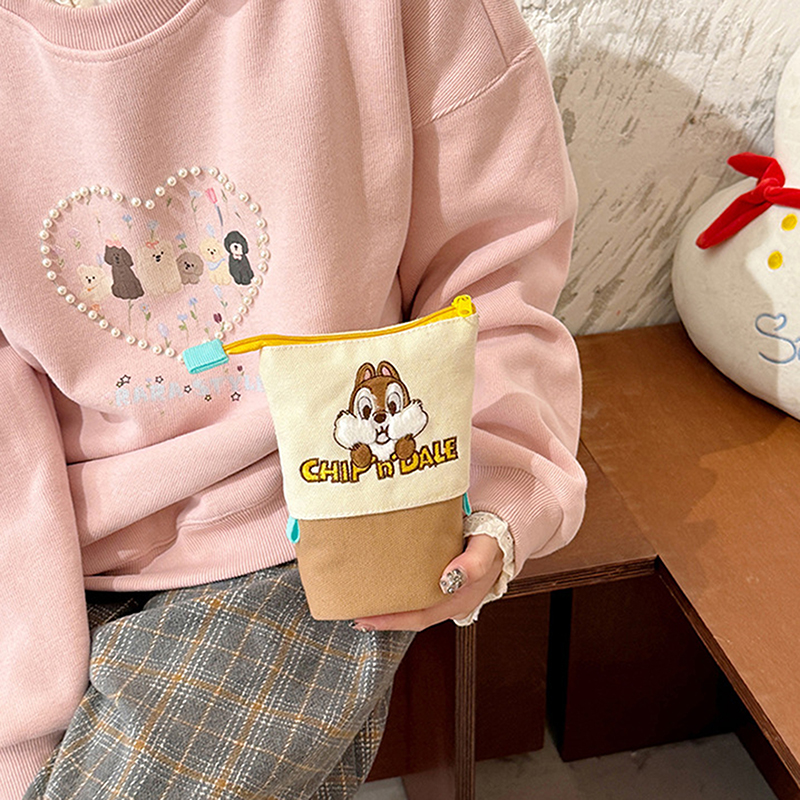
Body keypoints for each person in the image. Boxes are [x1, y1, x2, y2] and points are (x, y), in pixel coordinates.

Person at [0, 0, 587, 796]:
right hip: (49, 540)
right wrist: (20, 713)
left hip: (319, 507)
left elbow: (494, 278)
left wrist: (499, 486)